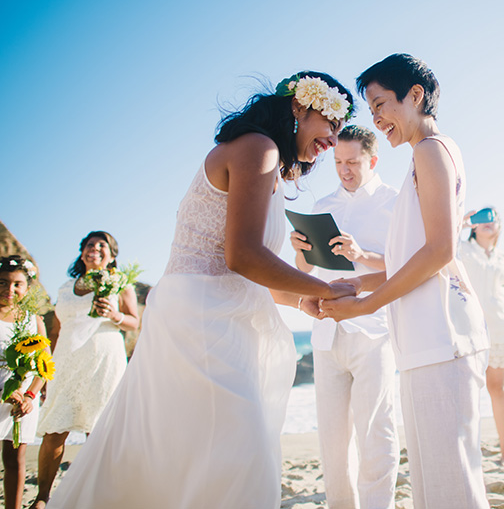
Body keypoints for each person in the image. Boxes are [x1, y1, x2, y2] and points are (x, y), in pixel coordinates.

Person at [44, 72, 356, 509]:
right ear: (301, 107)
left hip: (213, 309)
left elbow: (247, 271)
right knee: (234, 449)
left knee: (190, 450)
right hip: (204, 317)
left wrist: (303, 298)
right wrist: (323, 285)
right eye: (332, 123)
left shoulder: (265, 160)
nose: (333, 139)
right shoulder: (257, 148)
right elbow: (242, 257)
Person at [321, 54, 491, 509]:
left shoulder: (431, 150)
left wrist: (366, 304)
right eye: (370, 110)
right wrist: (357, 285)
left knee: (450, 485)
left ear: (415, 95)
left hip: (442, 335)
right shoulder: (427, 153)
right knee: (437, 483)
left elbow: (440, 251)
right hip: (425, 338)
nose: (376, 119)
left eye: (381, 104)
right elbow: (410, 257)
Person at [290, 124, 399, 509]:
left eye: (352, 162)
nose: (344, 170)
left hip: (375, 332)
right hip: (325, 332)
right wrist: (301, 251)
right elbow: (304, 272)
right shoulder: (322, 207)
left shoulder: (395, 203)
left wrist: (360, 254)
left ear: (372, 159)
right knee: (333, 442)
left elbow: (408, 267)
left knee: (376, 433)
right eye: (338, 162)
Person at [34, 231, 140, 507]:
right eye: (89, 245)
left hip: (104, 359)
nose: (94, 248)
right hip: (66, 360)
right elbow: (55, 331)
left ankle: (102, 497)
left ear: (112, 256)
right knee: (54, 430)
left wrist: (115, 315)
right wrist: (46, 372)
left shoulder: (121, 284)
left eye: (102, 245)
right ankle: (43, 497)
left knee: (101, 430)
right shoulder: (64, 288)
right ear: (82, 253)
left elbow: (134, 322)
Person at [460, 208, 504, 465]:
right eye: (483, 220)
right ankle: (469, 451)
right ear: (474, 228)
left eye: (494, 220)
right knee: (468, 392)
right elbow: (442, 242)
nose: (489, 223)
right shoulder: (463, 250)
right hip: (470, 329)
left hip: (503, 331)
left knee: (497, 389)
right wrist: (462, 220)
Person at [0, 256, 47, 509]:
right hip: (3, 393)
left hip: (23, 400)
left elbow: (44, 366)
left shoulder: (33, 321)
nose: (10, 290)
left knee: (15, 459)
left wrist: (29, 396)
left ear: (27, 288)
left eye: (17, 284)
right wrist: (4, 392)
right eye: (3, 283)